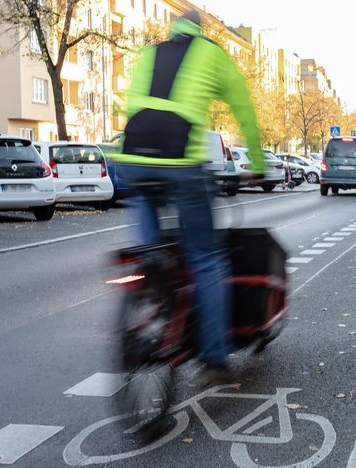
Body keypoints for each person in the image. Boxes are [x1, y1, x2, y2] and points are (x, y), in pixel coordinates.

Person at [115, 11, 265, 382]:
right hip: (181, 160)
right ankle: (213, 358)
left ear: (172, 30)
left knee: (153, 256)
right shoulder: (211, 53)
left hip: (131, 160)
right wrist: (257, 163)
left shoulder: (149, 53)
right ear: (199, 31)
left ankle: (154, 298)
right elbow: (243, 107)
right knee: (207, 257)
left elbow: (128, 104)